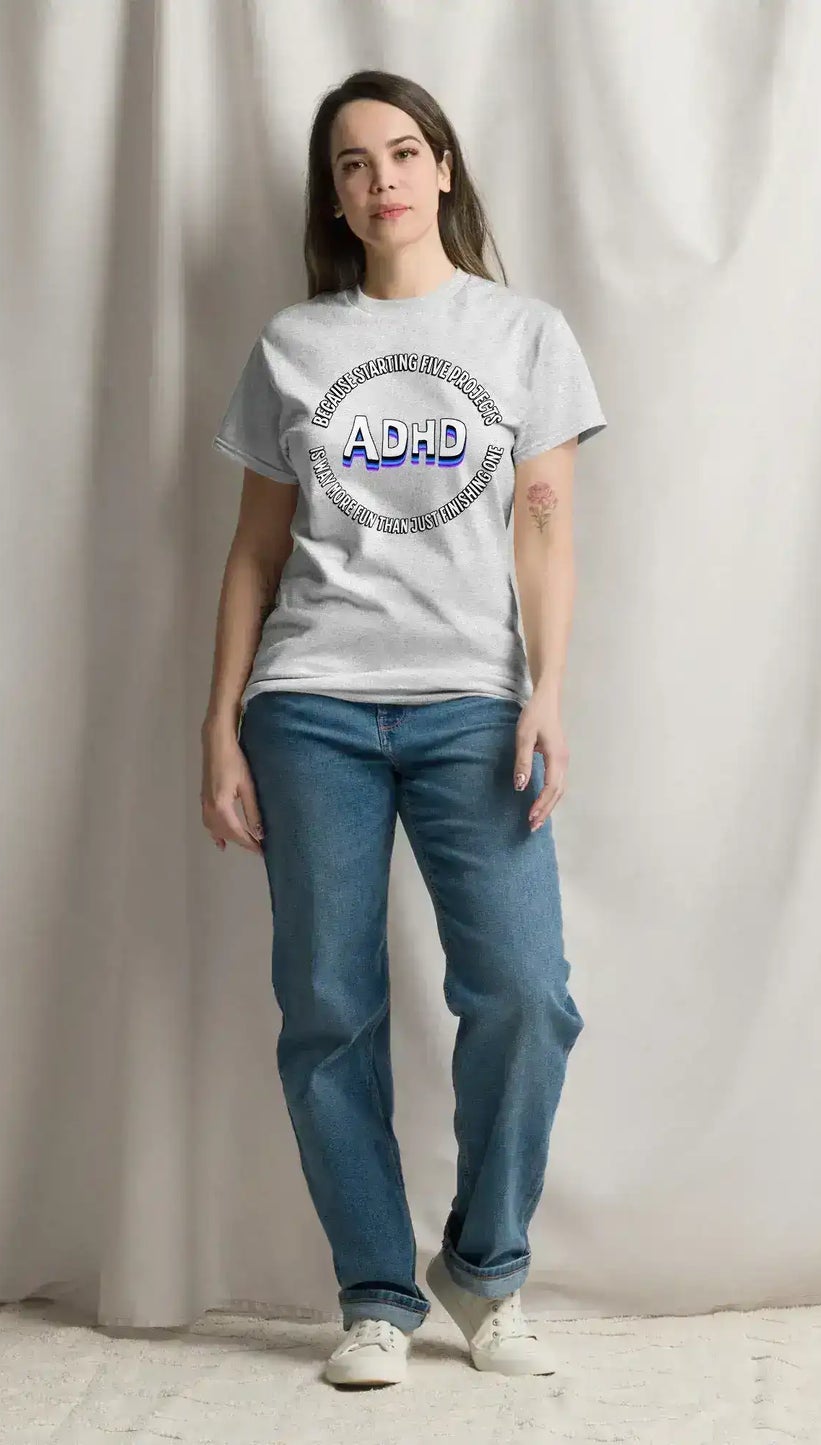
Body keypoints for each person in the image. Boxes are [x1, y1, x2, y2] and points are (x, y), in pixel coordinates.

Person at [200, 68, 606, 1389]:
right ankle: (375, 1290)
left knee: (526, 999)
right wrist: (220, 726)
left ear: (442, 168)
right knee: (326, 1006)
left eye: (400, 152)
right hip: (308, 706)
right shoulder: (292, 345)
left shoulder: (524, 335)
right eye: (350, 165)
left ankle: (480, 1267)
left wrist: (546, 689)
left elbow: (543, 527)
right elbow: (255, 555)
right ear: (335, 197)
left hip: (470, 708)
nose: (378, 179)